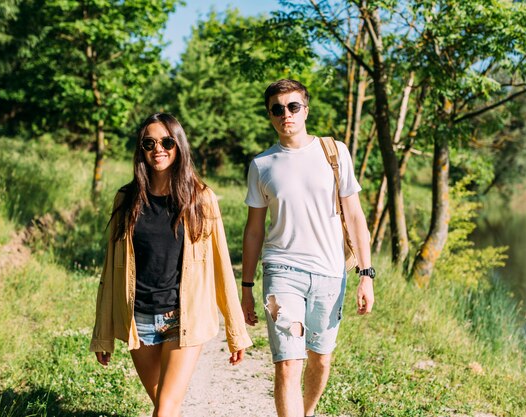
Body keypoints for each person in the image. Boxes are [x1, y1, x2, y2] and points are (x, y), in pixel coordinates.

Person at [90, 112, 252, 417]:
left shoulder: (201, 199)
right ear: (141, 149)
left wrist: (236, 331)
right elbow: (111, 271)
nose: (157, 149)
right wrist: (104, 332)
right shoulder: (126, 200)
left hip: (182, 319)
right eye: (148, 143)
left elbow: (221, 268)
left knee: (164, 410)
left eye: (166, 141)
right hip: (139, 321)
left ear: (179, 146)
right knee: (165, 406)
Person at [241, 79, 375, 417]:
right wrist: (246, 287)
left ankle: (308, 411)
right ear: (269, 115)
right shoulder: (261, 165)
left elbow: (355, 216)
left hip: (330, 273)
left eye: (293, 107)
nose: (285, 114)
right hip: (281, 271)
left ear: (305, 110)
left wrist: (366, 275)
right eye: (277, 109)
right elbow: (254, 231)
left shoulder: (334, 152)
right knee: (288, 364)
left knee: (320, 357)